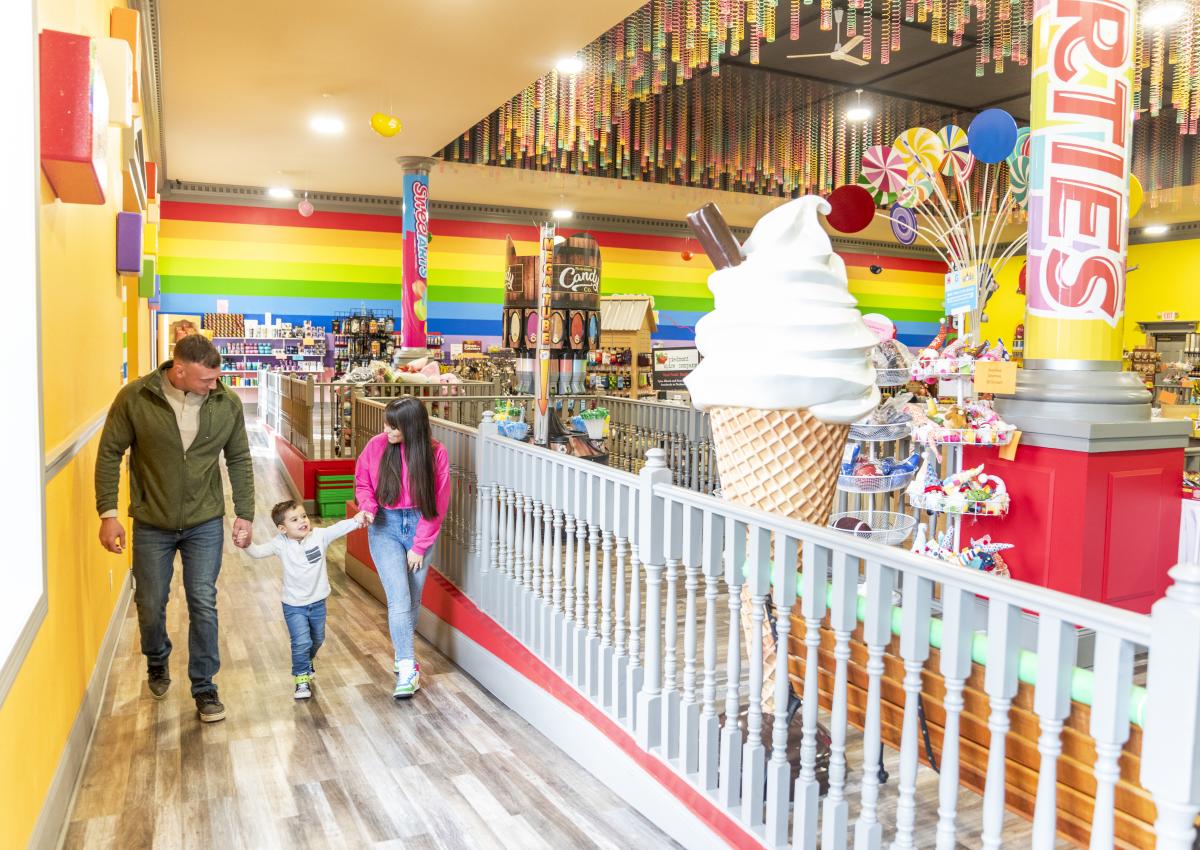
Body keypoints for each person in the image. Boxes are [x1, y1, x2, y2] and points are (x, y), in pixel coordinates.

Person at [95, 334, 255, 723]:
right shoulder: (135, 398)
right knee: (150, 602)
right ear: (178, 369)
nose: (213, 386)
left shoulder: (225, 403)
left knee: (203, 599)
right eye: (205, 379)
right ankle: (156, 658)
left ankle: (204, 686)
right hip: (152, 521)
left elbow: (239, 458)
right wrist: (108, 512)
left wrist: (244, 513)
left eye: (216, 379)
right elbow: (109, 452)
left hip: (204, 521)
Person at [354, 397, 450, 699]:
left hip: (421, 524)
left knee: (412, 597)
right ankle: (408, 667)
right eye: (387, 423)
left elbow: (438, 503)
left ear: (412, 427)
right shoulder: (377, 446)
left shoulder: (435, 453)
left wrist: (420, 546)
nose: (387, 430)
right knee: (398, 598)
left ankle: (402, 652)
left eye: (394, 426)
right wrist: (367, 507)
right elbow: (363, 483)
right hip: (385, 525)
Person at [245, 500, 367, 699]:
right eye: (294, 520)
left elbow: (338, 528)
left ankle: (307, 660)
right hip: (293, 605)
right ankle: (301, 678)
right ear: (282, 529)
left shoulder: (318, 536)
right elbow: (258, 552)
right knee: (301, 642)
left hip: (318, 602)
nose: (302, 521)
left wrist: (356, 520)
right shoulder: (280, 543)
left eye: (303, 516)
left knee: (317, 639)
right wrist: (246, 544)